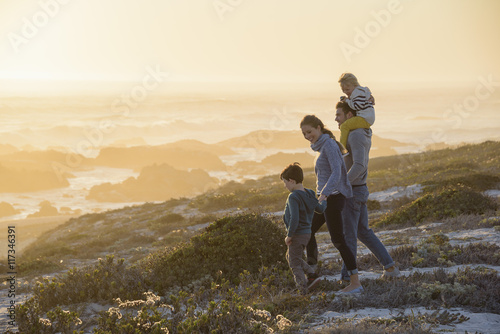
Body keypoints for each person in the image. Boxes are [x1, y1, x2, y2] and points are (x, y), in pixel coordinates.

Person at [335, 101, 400, 280]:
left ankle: (347, 278)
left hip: (353, 191)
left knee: (349, 236)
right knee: (363, 232)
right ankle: (390, 268)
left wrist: (343, 184)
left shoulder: (355, 135)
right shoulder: (358, 131)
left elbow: (359, 165)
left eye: (338, 115)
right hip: (358, 189)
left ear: (349, 116)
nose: (335, 119)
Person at [301, 115, 363, 293]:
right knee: (308, 230)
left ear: (319, 128)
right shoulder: (321, 147)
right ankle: (312, 272)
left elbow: (338, 172)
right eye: (304, 133)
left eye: (310, 132)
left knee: (338, 240)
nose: (307, 136)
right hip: (324, 197)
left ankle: (355, 282)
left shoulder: (328, 145)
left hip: (332, 198)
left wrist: (325, 195)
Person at [280, 162, 324, 294]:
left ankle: (303, 289)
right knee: (292, 257)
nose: (285, 186)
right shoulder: (310, 193)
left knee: (294, 264)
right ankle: (312, 275)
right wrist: (323, 199)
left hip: (297, 234)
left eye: (285, 182)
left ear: (291, 181)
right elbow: (320, 209)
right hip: (306, 234)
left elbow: (294, 218)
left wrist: (289, 235)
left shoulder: (293, 196)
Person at [337, 73, 375, 152]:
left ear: (355, 85)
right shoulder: (361, 91)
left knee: (344, 126)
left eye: (347, 90)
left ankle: (341, 150)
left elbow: (357, 106)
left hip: (364, 118)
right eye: (343, 90)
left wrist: (347, 100)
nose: (345, 92)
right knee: (348, 124)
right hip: (366, 118)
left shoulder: (357, 92)